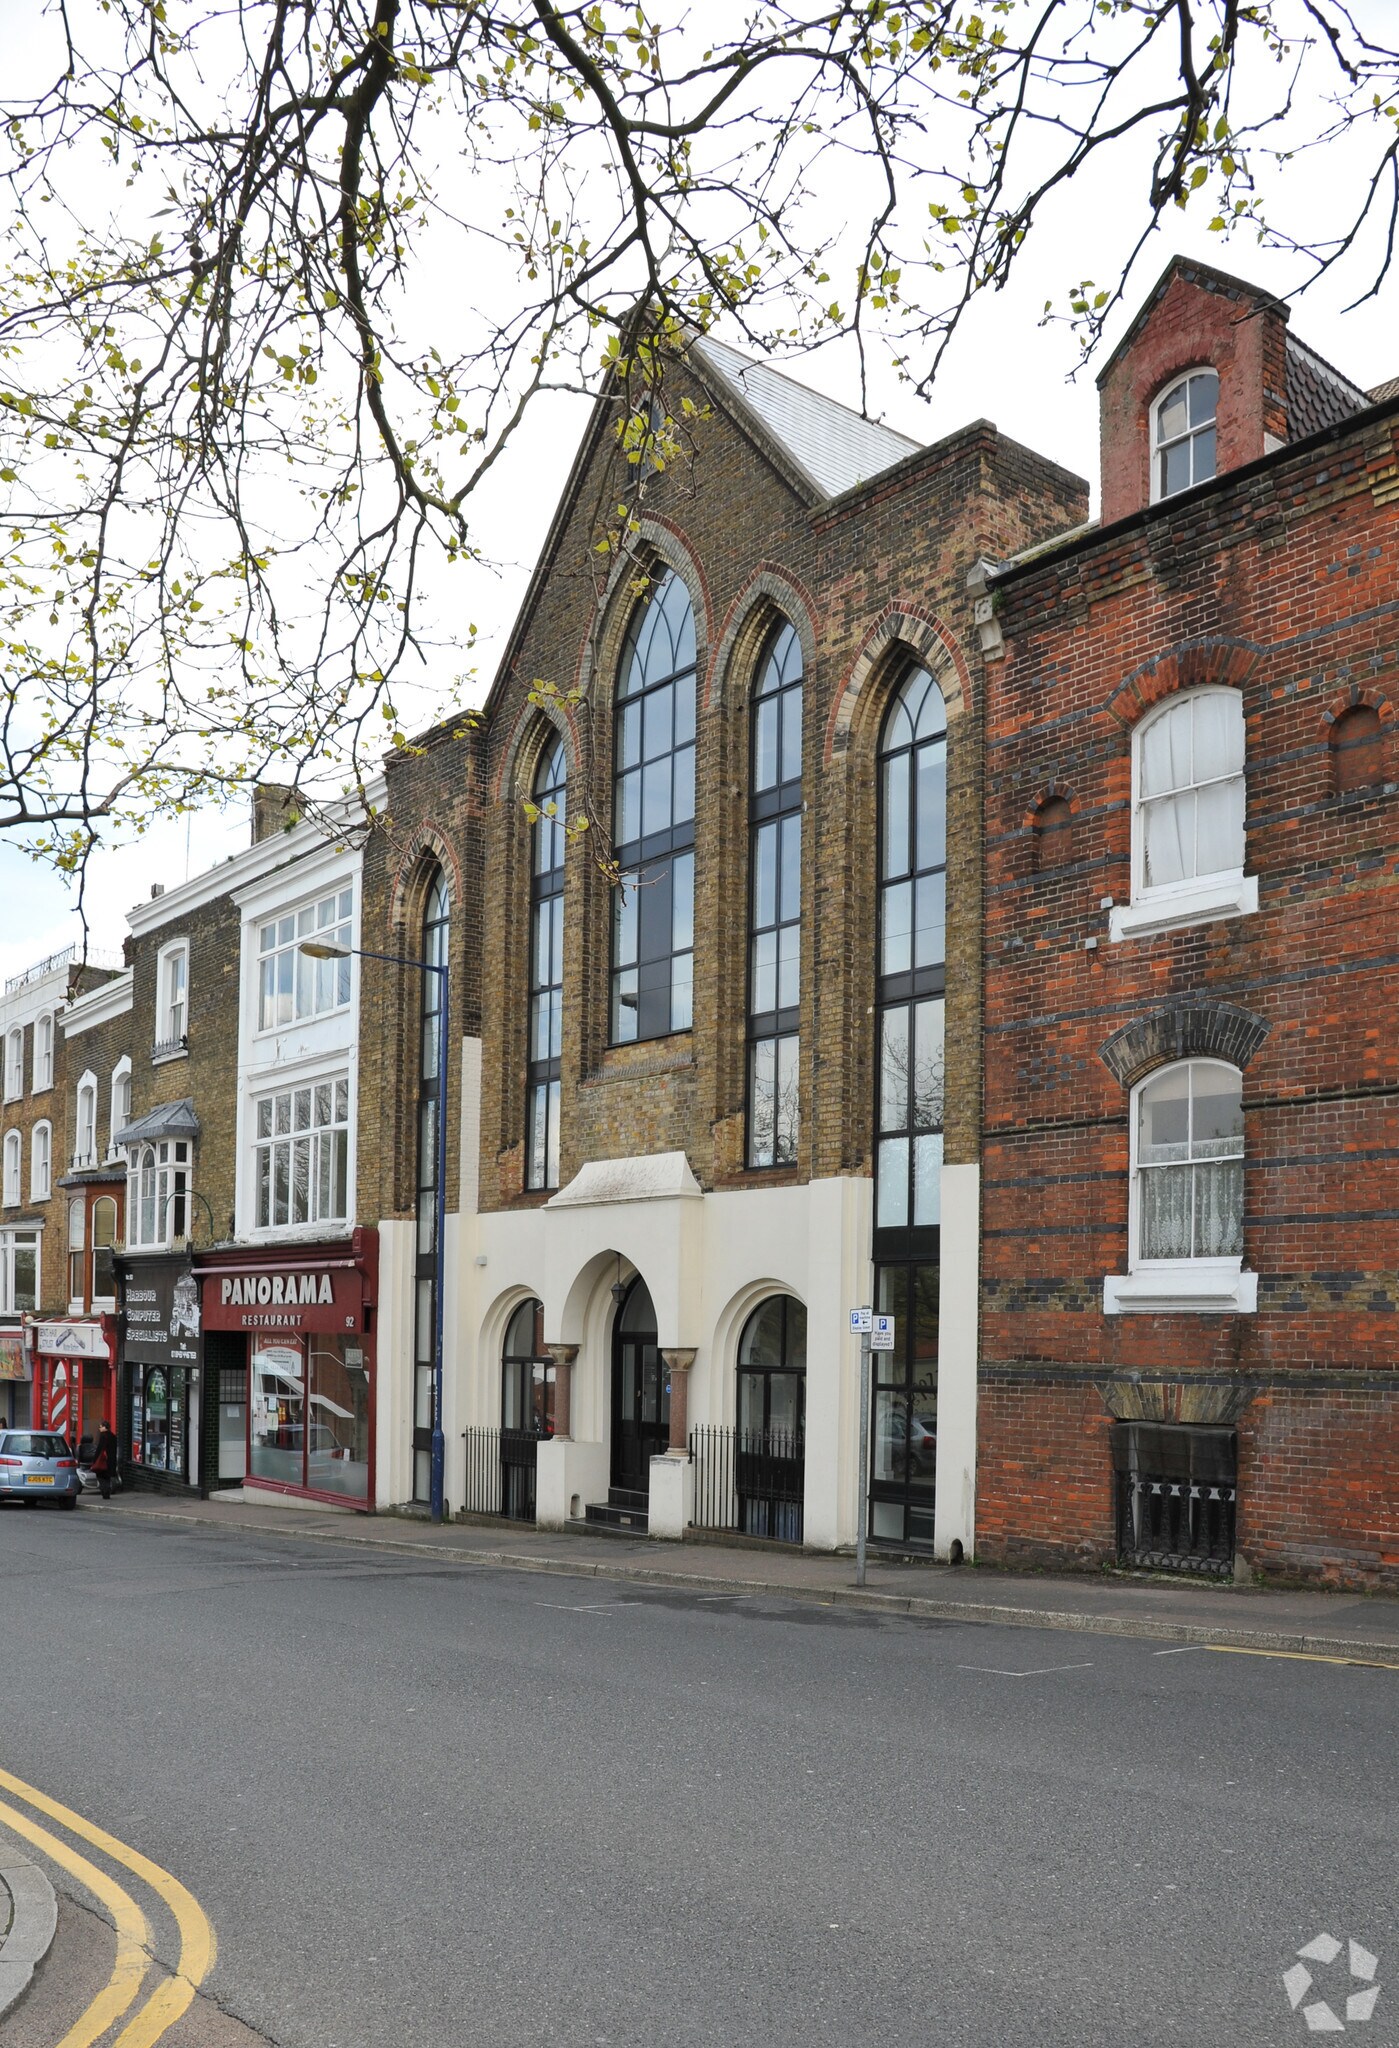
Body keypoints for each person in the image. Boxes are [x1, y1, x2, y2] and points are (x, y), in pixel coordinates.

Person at [91, 1420, 120, 1501]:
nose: (99, 1428)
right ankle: (107, 1492)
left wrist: (94, 1460)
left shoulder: (103, 1436)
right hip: (111, 1460)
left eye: (100, 1427)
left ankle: (105, 1492)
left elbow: (99, 1449)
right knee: (107, 1477)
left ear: (105, 1427)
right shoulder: (113, 1436)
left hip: (103, 1461)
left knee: (100, 1476)